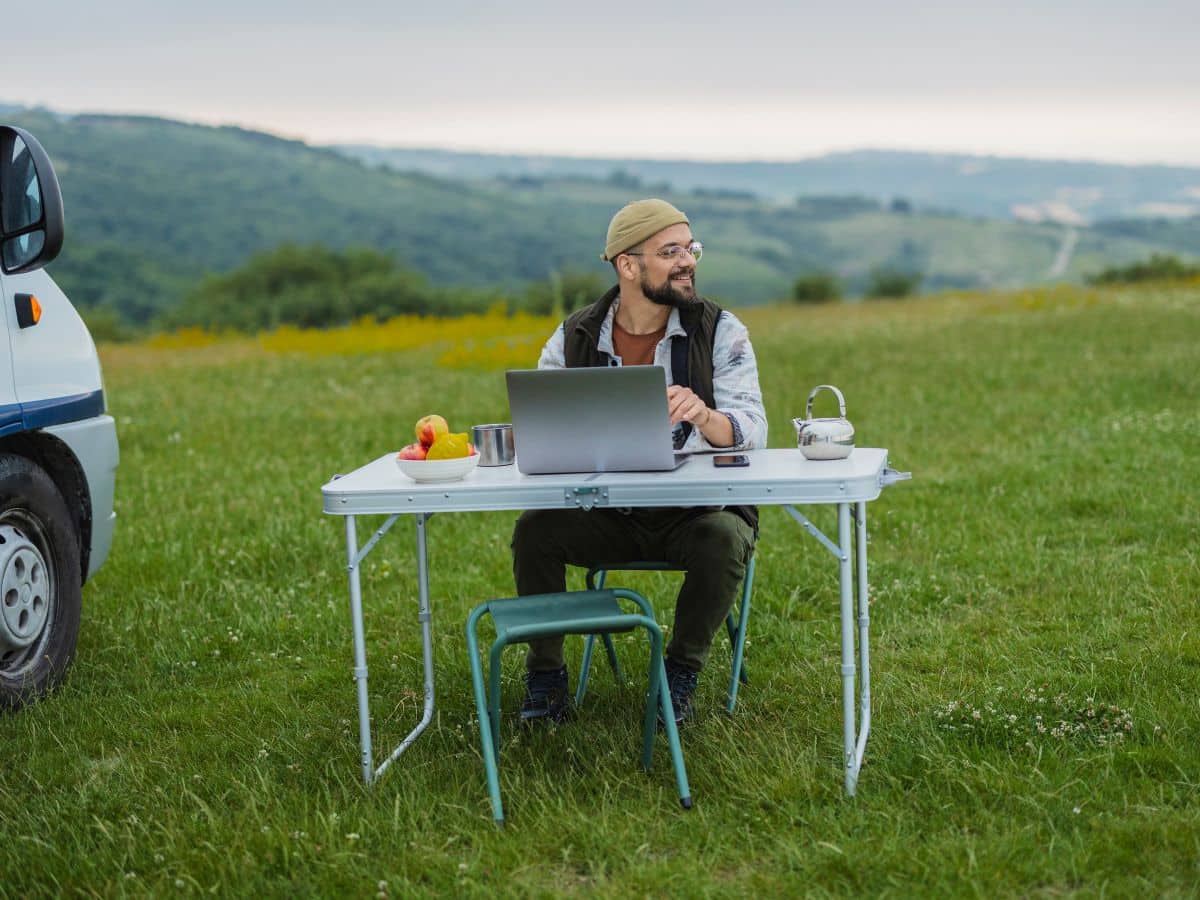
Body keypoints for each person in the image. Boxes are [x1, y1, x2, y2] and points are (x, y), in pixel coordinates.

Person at [510, 198, 768, 726]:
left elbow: (753, 427)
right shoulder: (575, 335)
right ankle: (546, 677)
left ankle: (679, 676)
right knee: (535, 532)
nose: (687, 261)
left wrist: (707, 418)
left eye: (690, 248)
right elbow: (543, 422)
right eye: (670, 251)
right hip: (607, 515)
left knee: (723, 537)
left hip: (691, 516)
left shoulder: (721, 330)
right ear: (628, 265)